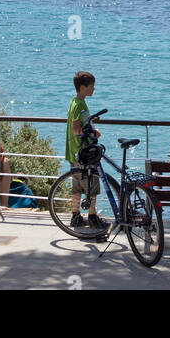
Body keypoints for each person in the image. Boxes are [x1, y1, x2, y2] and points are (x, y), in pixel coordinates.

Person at [66, 70, 108, 232]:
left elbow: (80, 121)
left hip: (73, 150)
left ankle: (75, 215)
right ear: (83, 87)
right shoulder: (80, 105)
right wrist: (93, 133)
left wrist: (89, 120)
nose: (93, 89)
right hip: (83, 151)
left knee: (76, 183)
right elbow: (75, 129)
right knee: (92, 182)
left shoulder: (74, 102)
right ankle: (92, 216)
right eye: (91, 86)